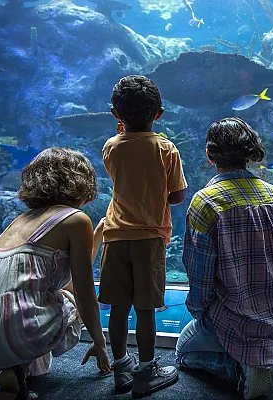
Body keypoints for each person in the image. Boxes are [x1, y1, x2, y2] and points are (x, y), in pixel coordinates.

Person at [175, 117, 273, 399]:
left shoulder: (206, 202)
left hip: (231, 317)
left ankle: (238, 369)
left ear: (209, 154)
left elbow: (199, 274)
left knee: (182, 351)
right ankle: (257, 361)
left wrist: (200, 311)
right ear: (251, 152)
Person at [0, 147, 111, 400]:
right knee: (67, 301)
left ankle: (14, 375)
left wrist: (96, 237)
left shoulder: (22, 219)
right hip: (9, 332)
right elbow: (83, 291)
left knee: (41, 296)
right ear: (82, 181)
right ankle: (18, 368)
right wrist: (100, 343)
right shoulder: (75, 219)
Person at [99, 75, 187, 397]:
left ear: (115, 114)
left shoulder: (111, 146)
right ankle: (147, 371)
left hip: (115, 236)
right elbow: (177, 196)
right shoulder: (166, 149)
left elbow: (120, 174)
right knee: (145, 309)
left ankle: (121, 367)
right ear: (159, 113)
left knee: (118, 307)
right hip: (150, 238)